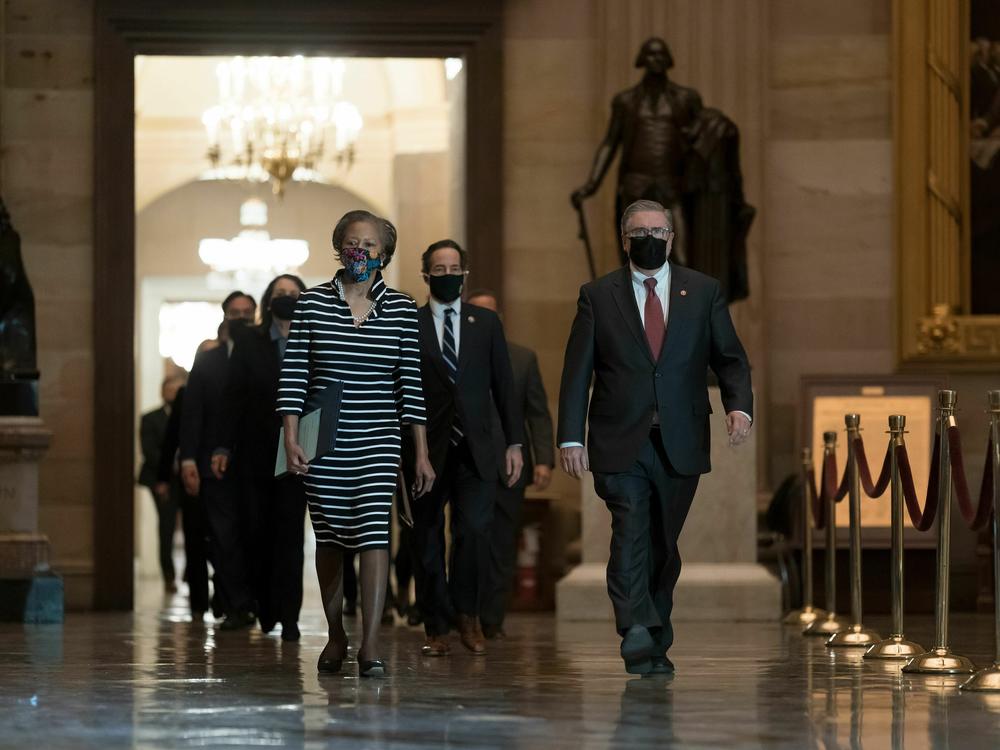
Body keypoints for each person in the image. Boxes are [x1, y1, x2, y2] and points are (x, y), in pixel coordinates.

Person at [558, 199, 752, 675]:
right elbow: (577, 371)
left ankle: (655, 634)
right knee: (630, 527)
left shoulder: (702, 291)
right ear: (625, 240)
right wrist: (569, 437)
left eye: (658, 231)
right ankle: (634, 626)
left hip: (680, 436)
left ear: (672, 238)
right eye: (639, 231)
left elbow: (729, 356)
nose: (650, 238)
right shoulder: (597, 295)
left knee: (664, 542)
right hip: (618, 437)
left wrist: (738, 405)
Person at [278, 210, 435, 679]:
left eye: (369, 245)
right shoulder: (311, 304)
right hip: (323, 439)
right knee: (328, 538)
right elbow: (292, 378)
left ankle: (369, 643)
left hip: (379, 439)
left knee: (373, 535)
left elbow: (411, 386)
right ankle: (335, 634)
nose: (360, 251)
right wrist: (290, 440)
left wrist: (421, 453)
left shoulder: (403, 309)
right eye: (352, 242)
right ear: (338, 248)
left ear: (383, 254)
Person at [403, 240, 523, 658]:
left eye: (454, 268)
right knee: (428, 540)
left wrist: (514, 442)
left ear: (465, 274)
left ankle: (468, 616)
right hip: (425, 451)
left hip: (477, 448)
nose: (447, 274)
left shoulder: (485, 323)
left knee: (473, 534)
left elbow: (504, 387)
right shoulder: (409, 323)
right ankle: (436, 625)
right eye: (439, 268)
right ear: (426, 275)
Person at [212, 274, 308, 641]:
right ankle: (265, 608)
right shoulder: (249, 341)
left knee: (290, 535)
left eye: (293, 294)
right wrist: (223, 446)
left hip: (298, 454)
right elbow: (232, 396)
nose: (286, 298)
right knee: (257, 531)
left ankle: (290, 616)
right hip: (255, 452)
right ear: (269, 301)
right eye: (280, 293)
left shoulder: (311, 339)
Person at [466, 289, 555, 640]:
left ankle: (492, 618)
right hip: (467, 466)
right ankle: (465, 612)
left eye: (490, 313)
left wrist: (544, 460)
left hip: (511, 467)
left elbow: (538, 413)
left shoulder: (522, 358)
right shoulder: (453, 356)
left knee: (502, 544)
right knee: (469, 540)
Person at [179, 291, 258, 631]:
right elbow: (192, 413)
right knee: (223, 537)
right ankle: (235, 604)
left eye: (246, 312)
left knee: (252, 534)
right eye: (234, 312)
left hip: (255, 462)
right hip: (213, 464)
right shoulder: (208, 361)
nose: (239, 317)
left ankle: (248, 599)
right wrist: (188, 461)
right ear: (225, 315)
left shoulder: (265, 356)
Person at [157, 383, 211, 621]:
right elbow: (173, 435)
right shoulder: (187, 393)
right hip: (193, 476)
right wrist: (162, 477)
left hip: (223, 476)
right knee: (195, 536)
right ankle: (199, 601)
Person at [138, 376, 183, 593]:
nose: (172, 393)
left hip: (186, 478)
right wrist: (167, 473)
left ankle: (192, 572)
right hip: (161, 480)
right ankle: (168, 575)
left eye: (177, 389)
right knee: (166, 527)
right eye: (169, 389)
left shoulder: (189, 416)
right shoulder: (150, 418)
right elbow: (150, 451)